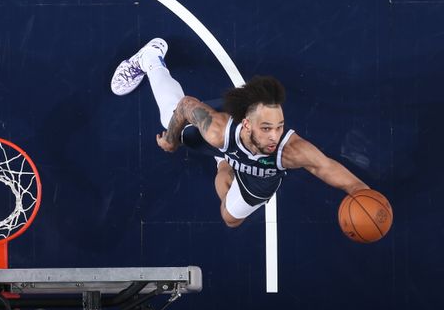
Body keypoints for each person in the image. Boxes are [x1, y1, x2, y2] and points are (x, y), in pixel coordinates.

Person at [111, 38, 370, 228]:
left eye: (279, 126)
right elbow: (186, 106)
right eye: (267, 128)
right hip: (223, 136)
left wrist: (362, 192)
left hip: (257, 171)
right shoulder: (217, 130)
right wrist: (170, 140)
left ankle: (223, 163)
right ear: (247, 124)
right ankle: (151, 58)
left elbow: (324, 167)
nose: (275, 136)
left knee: (230, 218)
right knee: (169, 117)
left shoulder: (288, 151)